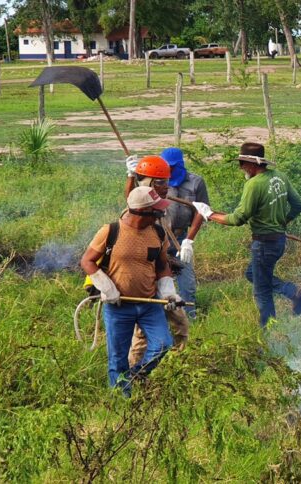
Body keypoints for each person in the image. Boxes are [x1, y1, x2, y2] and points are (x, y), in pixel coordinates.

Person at [191, 142, 301, 327]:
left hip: (264, 244)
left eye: (242, 163)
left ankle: (269, 331)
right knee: (252, 273)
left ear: (253, 164)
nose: (241, 168)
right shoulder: (280, 177)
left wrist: (210, 214)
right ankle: (292, 292)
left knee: (261, 291)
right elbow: (299, 204)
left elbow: (238, 218)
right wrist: (282, 222)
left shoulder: (253, 185)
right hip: (279, 241)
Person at [80, 186, 181, 393]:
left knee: (163, 344)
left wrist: (169, 291)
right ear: (142, 213)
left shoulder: (158, 232)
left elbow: (162, 266)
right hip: (119, 307)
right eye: (156, 211)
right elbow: (88, 261)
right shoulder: (110, 231)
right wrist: (106, 287)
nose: (161, 214)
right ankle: (121, 400)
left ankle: (135, 375)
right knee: (117, 358)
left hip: (149, 304)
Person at [122, 154, 190, 366]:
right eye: (160, 182)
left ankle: (178, 368)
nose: (166, 186)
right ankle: (135, 374)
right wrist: (132, 177)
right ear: (149, 182)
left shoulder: (159, 205)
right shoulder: (136, 211)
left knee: (181, 324)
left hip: (161, 275)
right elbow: (132, 199)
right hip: (145, 281)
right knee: (142, 336)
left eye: (167, 181)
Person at [159, 147, 209, 319]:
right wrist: (133, 175)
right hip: (158, 238)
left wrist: (189, 241)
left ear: (180, 165)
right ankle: (160, 319)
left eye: (172, 167)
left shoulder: (196, 182)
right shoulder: (158, 182)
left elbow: (201, 211)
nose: (169, 171)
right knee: (155, 282)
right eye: (166, 167)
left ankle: (190, 320)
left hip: (181, 239)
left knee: (187, 284)